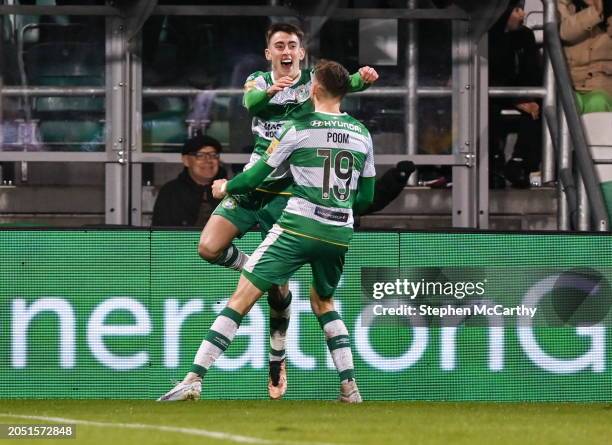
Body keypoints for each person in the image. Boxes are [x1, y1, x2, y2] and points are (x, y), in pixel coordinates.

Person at [158, 59, 375, 403]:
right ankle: (350, 388)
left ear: (314, 88)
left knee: (241, 298)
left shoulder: (299, 127)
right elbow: (366, 197)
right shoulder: (362, 134)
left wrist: (225, 187)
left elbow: (256, 176)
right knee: (324, 302)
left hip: (298, 226)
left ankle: (193, 378)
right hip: (338, 233)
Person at [489, 0, 543, 188]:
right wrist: (514, 99)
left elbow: (532, 72)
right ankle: (492, 163)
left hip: (515, 93)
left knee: (541, 107)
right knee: (486, 105)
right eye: (517, 10)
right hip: (491, 93)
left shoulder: (525, 36)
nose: (522, 16)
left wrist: (524, 97)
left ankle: (520, 163)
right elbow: (483, 78)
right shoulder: (486, 35)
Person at [152, 134, 227, 227]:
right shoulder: (171, 192)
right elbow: (161, 233)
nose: (208, 160)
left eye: (213, 155)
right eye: (200, 155)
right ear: (186, 160)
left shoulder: (231, 189)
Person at [558, 0, 612, 113]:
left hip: (603, 85)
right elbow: (564, 32)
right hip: (571, 85)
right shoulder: (563, 4)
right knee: (570, 104)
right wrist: (596, 11)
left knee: (598, 102)